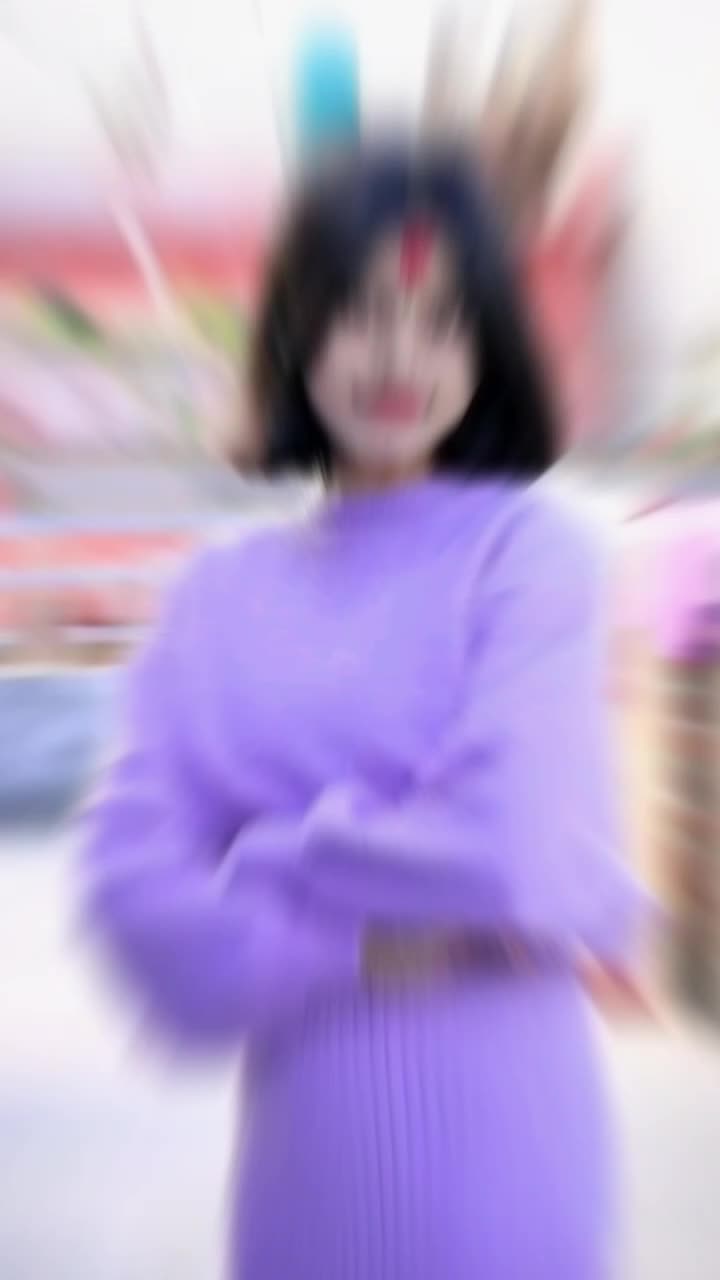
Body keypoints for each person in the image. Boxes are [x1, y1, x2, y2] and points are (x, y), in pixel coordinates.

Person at [80, 142, 650, 1279]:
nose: (399, 357)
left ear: (487, 347)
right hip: (305, 1190)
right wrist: (371, 935)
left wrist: (263, 859)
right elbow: (140, 908)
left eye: (441, 321)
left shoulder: (531, 554)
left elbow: (509, 842)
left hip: (510, 1179)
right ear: (299, 331)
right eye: (362, 314)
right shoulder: (217, 598)